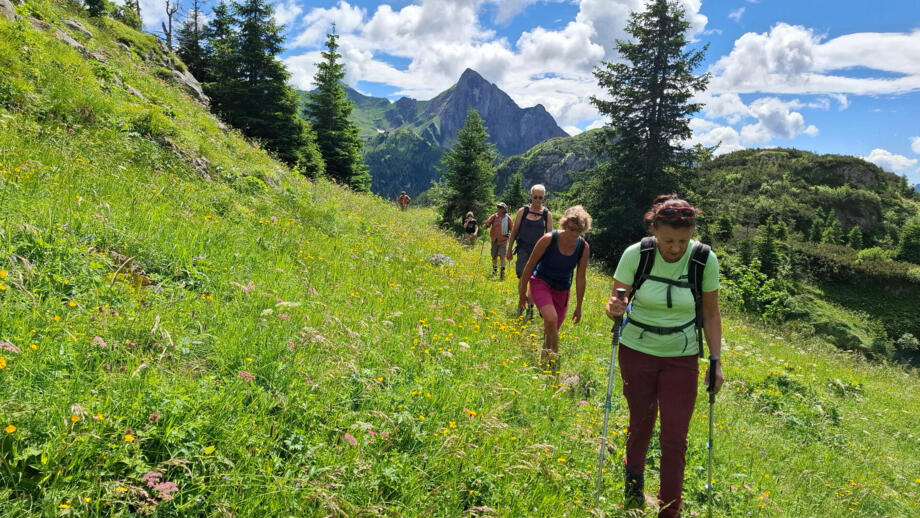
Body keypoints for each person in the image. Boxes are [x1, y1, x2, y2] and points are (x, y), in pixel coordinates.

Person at [604, 194, 724, 518]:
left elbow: (711, 313)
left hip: (682, 356)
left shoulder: (703, 259)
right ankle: (633, 483)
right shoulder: (637, 254)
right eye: (668, 240)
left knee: (675, 436)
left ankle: (670, 508)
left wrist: (716, 361)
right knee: (640, 422)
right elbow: (617, 301)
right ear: (654, 229)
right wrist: (614, 307)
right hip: (636, 350)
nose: (675, 248)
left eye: (682, 241)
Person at [518, 205, 590, 373]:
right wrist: (522, 292)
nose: (574, 233)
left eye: (578, 230)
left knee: (552, 329)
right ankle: (555, 360)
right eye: (571, 229)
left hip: (562, 289)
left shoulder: (582, 247)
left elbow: (581, 278)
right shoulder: (549, 239)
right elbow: (529, 266)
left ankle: (544, 366)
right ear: (564, 225)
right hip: (541, 282)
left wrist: (579, 306)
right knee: (550, 319)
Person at [507, 184, 553, 319]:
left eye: (540, 197)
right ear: (530, 196)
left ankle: (530, 309)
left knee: (533, 280)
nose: (537, 200)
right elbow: (514, 231)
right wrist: (509, 249)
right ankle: (521, 302)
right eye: (535, 197)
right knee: (522, 277)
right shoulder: (523, 211)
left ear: (544, 197)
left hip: (538, 252)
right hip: (522, 248)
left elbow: (549, 236)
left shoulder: (547, 214)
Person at [482, 202, 514, 280]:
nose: (499, 209)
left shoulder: (508, 218)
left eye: (501, 207)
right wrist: (486, 225)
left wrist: (510, 234)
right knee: (494, 257)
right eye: (499, 207)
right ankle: (494, 271)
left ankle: (502, 274)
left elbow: (512, 229)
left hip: (503, 240)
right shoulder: (494, 217)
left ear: (504, 209)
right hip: (494, 239)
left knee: (502, 256)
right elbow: (486, 225)